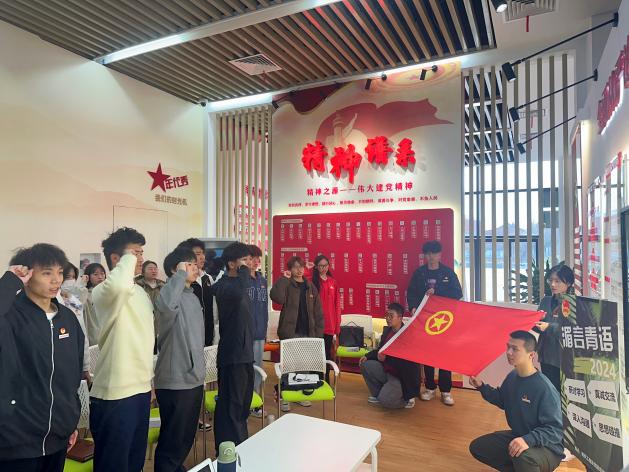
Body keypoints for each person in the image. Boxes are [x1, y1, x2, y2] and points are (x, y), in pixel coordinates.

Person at [0, 244, 83, 471]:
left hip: (58, 436)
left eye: (59, 272)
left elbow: (72, 377)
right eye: (47, 273)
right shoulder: (9, 316)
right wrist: (10, 282)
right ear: (27, 276)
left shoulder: (67, 318)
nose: (56, 280)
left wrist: (71, 422)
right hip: (16, 440)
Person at [89, 227, 155, 472]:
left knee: (134, 461)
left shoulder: (140, 292)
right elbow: (118, 286)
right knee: (113, 465)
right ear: (116, 259)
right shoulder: (104, 291)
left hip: (140, 389)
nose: (140, 258)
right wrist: (127, 259)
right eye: (135, 253)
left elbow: (144, 340)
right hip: (114, 394)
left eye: (141, 253)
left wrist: (149, 382)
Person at [469, 331, 564, 472]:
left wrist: (528, 440)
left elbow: (555, 429)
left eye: (515, 349)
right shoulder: (513, 376)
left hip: (548, 448)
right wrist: (481, 386)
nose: (508, 352)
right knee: (479, 447)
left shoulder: (544, 388)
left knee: (524, 457)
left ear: (531, 355)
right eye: (508, 347)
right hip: (521, 435)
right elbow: (502, 400)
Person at [153, 247, 205, 472]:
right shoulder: (166, 294)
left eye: (195, 264)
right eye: (189, 264)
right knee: (172, 439)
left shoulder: (191, 296)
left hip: (194, 378)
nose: (196, 268)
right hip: (175, 380)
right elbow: (166, 307)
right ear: (176, 269)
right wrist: (180, 276)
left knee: (186, 436)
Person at [407, 240, 462, 406]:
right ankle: (430, 387)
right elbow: (411, 293)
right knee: (428, 355)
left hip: (444, 320)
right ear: (425, 255)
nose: (431, 257)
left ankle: (446, 391)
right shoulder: (419, 273)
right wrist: (413, 307)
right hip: (425, 320)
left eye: (434, 253)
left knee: (444, 356)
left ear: (440, 255)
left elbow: (457, 293)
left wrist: (437, 291)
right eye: (428, 253)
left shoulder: (448, 273)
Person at [211, 242, 254, 453]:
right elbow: (236, 295)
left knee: (242, 405)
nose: (249, 264)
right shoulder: (225, 286)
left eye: (249, 259)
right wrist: (244, 272)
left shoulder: (239, 284)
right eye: (244, 260)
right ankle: (233, 452)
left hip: (245, 354)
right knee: (232, 406)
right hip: (232, 355)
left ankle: (237, 449)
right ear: (231, 264)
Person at [270, 256, 324, 411]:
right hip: (290, 332)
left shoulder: (310, 286)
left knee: (303, 365)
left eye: (301, 267)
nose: (299, 270)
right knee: (288, 366)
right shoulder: (287, 284)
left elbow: (318, 312)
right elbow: (277, 297)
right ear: (290, 269)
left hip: (308, 332)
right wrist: (283, 278)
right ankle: (284, 396)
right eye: (295, 267)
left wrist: (318, 334)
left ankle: (299, 394)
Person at [534, 264, 575, 462]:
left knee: (565, 401)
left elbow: (571, 330)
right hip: (546, 356)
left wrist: (549, 327)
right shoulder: (545, 301)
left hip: (564, 360)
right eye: (551, 280)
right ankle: (552, 437)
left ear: (569, 283)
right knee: (550, 398)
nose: (553, 284)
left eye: (558, 281)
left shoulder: (573, 303)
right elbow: (536, 324)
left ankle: (568, 444)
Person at [359, 303, 420, 409]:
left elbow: (408, 364)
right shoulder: (387, 331)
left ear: (400, 318)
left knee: (385, 401)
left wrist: (386, 358)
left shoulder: (407, 335)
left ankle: (406, 400)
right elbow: (381, 350)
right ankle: (378, 395)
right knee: (365, 364)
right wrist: (367, 356)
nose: (387, 318)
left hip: (400, 377)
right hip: (387, 370)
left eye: (391, 316)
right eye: (387, 315)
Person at [178, 238, 216, 347]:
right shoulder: (181, 281)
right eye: (198, 254)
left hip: (208, 334)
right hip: (189, 338)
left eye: (203, 253)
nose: (202, 257)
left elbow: (213, 308)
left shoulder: (207, 278)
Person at [58, 263, 91, 384]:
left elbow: (82, 333)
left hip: (73, 359)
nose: (71, 281)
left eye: (73, 277)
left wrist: (85, 366)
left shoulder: (73, 300)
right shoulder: (51, 301)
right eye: (67, 277)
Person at [311, 254, 341, 384]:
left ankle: (326, 380)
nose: (323, 268)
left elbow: (337, 305)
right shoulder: (312, 281)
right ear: (316, 267)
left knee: (327, 354)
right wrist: (308, 267)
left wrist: (337, 326)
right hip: (316, 325)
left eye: (325, 265)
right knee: (316, 354)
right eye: (320, 266)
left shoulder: (333, 282)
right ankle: (315, 380)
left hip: (330, 325)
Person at [247, 244, 268, 419]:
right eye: (252, 258)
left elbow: (264, 308)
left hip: (259, 333)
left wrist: (265, 329)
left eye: (257, 258)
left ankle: (255, 403)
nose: (256, 261)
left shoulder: (262, 281)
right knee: (244, 370)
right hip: (244, 334)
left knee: (257, 369)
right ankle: (244, 402)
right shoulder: (240, 280)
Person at [83, 262, 106, 346]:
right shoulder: (86, 295)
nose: (100, 277)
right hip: (94, 337)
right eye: (95, 274)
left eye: (102, 274)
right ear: (88, 276)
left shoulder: (108, 292)